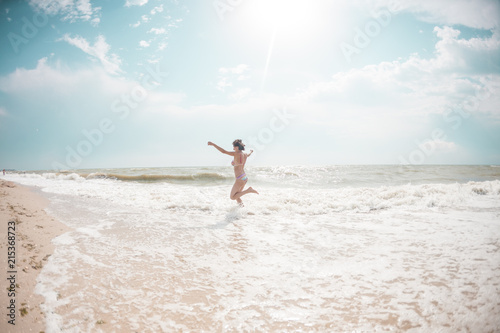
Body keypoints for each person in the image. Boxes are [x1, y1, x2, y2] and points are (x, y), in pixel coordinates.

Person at [208, 139, 258, 206]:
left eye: (234, 147)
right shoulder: (244, 154)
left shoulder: (236, 153)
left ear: (237, 147)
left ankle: (249, 190)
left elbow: (223, 151)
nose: (233, 148)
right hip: (244, 177)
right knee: (237, 195)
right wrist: (251, 152)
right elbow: (248, 155)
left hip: (240, 178)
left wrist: (213, 144)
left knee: (232, 197)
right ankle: (241, 208)